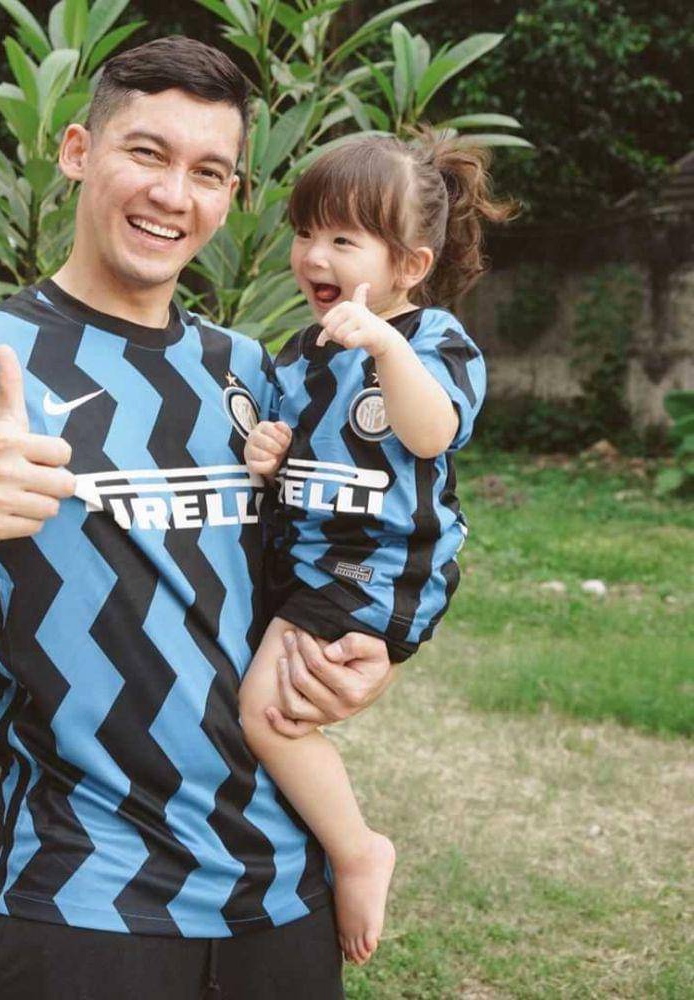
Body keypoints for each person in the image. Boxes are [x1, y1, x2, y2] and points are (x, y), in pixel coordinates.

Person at [0, 37, 398, 1000]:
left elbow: (331, 562)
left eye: (207, 172)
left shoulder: (249, 373)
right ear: (77, 151)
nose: (173, 194)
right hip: (83, 898)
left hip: (283, 894)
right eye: (146, 152)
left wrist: (369, 654)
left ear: (231, 195)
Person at [241, 132, 516, 965]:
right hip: (309, 563)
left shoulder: (434, 343)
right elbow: (290, 454)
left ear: (409, 265)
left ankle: (359, 849)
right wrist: (268, 451)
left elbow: (431, 434)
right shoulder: (299, 354)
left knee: (266, 712)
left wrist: (386, 345)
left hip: (380, 567)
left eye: (342, 238)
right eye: (305, 232)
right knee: (268, 700)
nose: (313, 255)